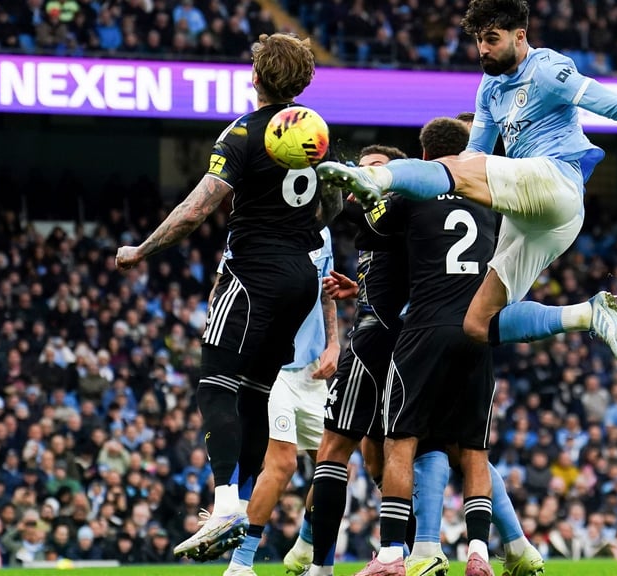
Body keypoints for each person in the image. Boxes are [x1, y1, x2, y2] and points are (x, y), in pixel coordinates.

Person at [316, 0, 617, 363]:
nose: (483, 49)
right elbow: (473, 158)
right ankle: (586, 315)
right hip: (540, 216)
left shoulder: (546, 68)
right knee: (477, 323)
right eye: (479, 40)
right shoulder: (489, 89)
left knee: (455, 171)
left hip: (556, 180)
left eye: (492, 39)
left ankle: (372, 175)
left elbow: (610, 104)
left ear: (520, 36)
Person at [115, 32, 339, 561]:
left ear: (257, 76)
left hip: (251, 277)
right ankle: (236, 503)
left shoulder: (242, 134)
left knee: (216, 383)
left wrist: (142, 250)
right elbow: (330, 200)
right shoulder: (314, 130)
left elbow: (196, 210)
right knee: (256, 391)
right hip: (301, 277)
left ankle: (226, 504)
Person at [355, 115, 498, 576]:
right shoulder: (492, 200)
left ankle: (394, 554)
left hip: (423, 332)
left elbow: (374, 232)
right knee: (475, 451)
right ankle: (478, 553)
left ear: (423, 157)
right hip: (479, 330)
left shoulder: (412, 195)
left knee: (401, 443)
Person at [295, 145, 410, 576]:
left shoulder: (394, 209)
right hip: (402, 343)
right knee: (380, 459)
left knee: (333, 450)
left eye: (376, 169)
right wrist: (360, 290)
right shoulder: (387, 220)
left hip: (373, 343)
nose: (365, 177)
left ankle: (321, 568)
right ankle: (413, 555)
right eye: (361, 170)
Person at [224, 226, 340, 576]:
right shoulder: (252, 224)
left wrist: (333, 343)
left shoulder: (321, 231)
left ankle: (307, 547)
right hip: (269, 368)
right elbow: (226, 290)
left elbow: (327, 291)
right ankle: (240, 564)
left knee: (332, 465)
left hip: (312, 370)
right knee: (282, 464)